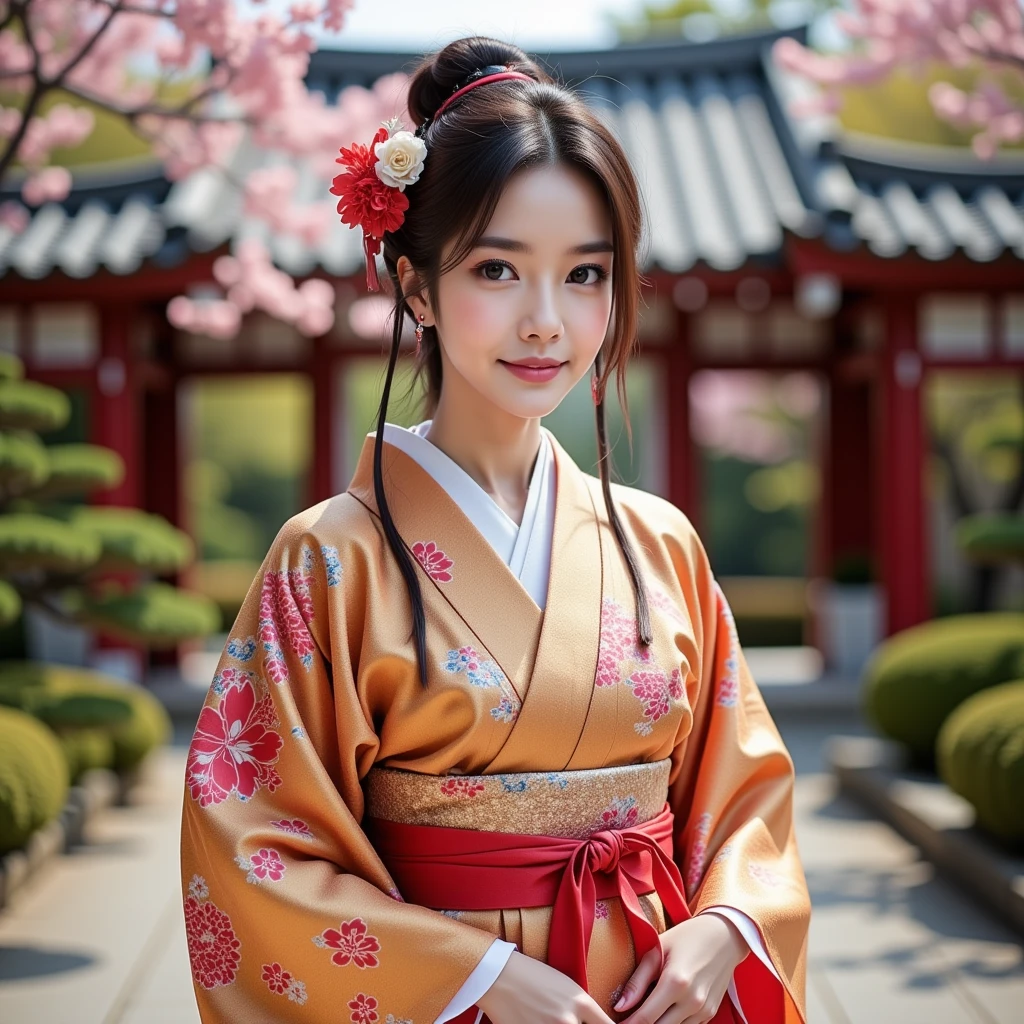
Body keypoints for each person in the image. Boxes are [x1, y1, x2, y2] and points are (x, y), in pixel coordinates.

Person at [179, 35, 811, 1024]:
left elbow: (743, 796)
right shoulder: (326, 561)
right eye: (498, 270)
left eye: (586, 275)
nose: (547, 322)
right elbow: (254, 848)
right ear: (415, 286)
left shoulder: (662, 545)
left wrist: (725, 925)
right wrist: (478, 974)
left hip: (656, 989)